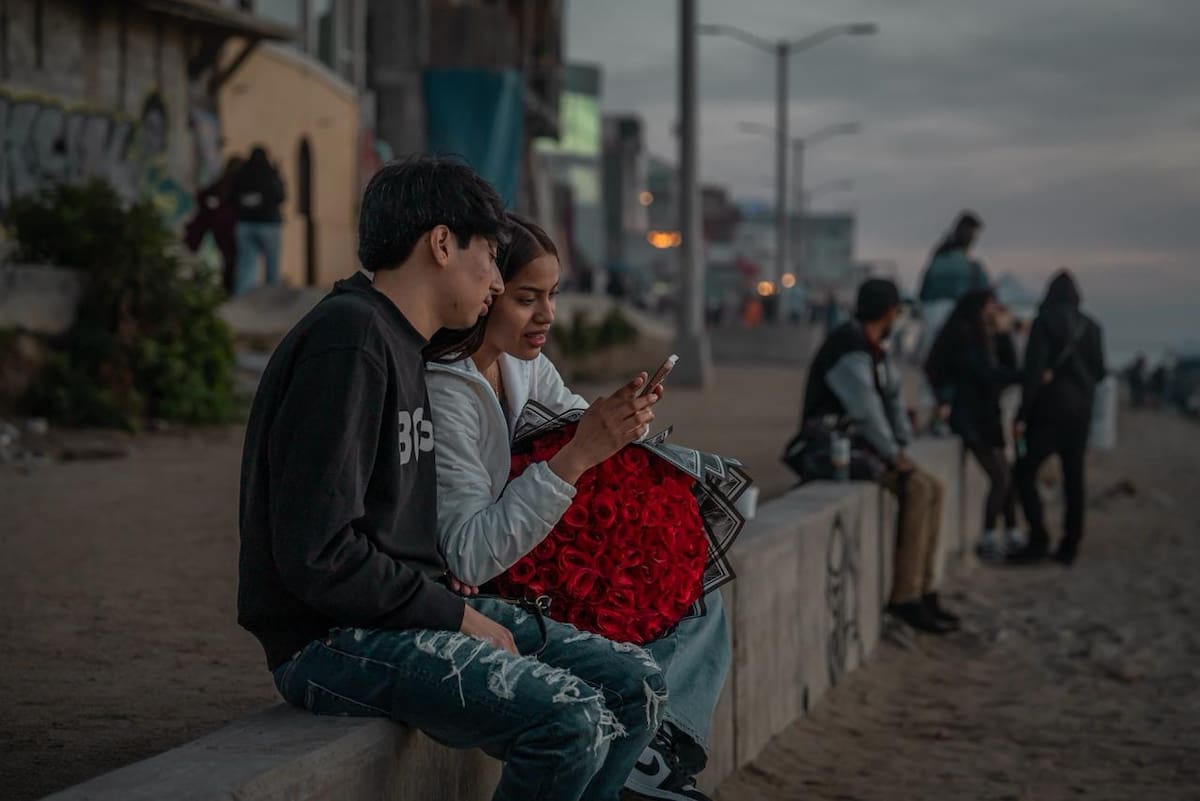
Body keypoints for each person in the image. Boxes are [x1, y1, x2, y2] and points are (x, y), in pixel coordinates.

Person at [238, 156, 666, 801]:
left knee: (637, 684)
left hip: (405, 614)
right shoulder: (349, 341)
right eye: (490, 256)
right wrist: (452, 615)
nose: (495, 282)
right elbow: (318, 556)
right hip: (327, 641)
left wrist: (452, 603)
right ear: (442, 244)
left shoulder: (403, 343)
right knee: (569, 719)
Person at [425, 214, 729, 801]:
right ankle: (644, 763)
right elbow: (470, 553)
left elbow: (572, 424)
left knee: (696, 581)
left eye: (553, 295)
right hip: (495, 581)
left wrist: (621, 425)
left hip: (532, 551)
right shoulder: (445, 389)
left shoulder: (523, 363)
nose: (547, 315)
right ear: (485, 291)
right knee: (652, 616)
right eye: (525, 297)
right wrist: (579, 454)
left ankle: (654, 757)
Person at [802, 279, 960, 635]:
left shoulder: (874, 348)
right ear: (889, 312)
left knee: (934, 487)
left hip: (865, 448)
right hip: (835, 451)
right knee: (918, 489)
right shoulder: (848, 349)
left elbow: (891, 399)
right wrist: (894, 454)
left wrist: (901, 444)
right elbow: (866, 410)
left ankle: (925, 589)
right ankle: (905, 598)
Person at [1009, 270, 1107, 566]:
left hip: (1050, 411)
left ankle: (1038, 538)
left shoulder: (1044, 322)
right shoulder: (1091, 326)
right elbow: (1100, 372)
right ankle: (1070, 545)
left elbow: (1033, 372)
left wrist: (1022, 413)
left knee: (1024, 472)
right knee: (1074, 478)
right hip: (1082, 412)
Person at [925, 289, 1022, 561]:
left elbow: (1004, 366)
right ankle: (988, 537)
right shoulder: (967, 335)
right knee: (1000, 478)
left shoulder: (985, 336)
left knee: (1006, 476)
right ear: (980, 307)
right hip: (972, 421)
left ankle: (1011, 532)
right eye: (991, 305)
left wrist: (1004, 335)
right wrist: (1027, 376)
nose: (995, 310)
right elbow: (988, 373)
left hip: (985, 418)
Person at [917, 212, 990, 425]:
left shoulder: (937, 261)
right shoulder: (971, 268)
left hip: (931, 320)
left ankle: (935, 417)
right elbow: (983, 296)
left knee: (934, 369)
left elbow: (923, 293)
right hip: (957, 324)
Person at [231, 146, 287, 296]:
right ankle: (271, 296)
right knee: (272, 265)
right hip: (269, 225)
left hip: (245, 224)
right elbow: (281, 196)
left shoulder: (241, 174)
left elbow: (231, 197)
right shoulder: (271, 174)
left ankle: (242, 299)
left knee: (245, 265)